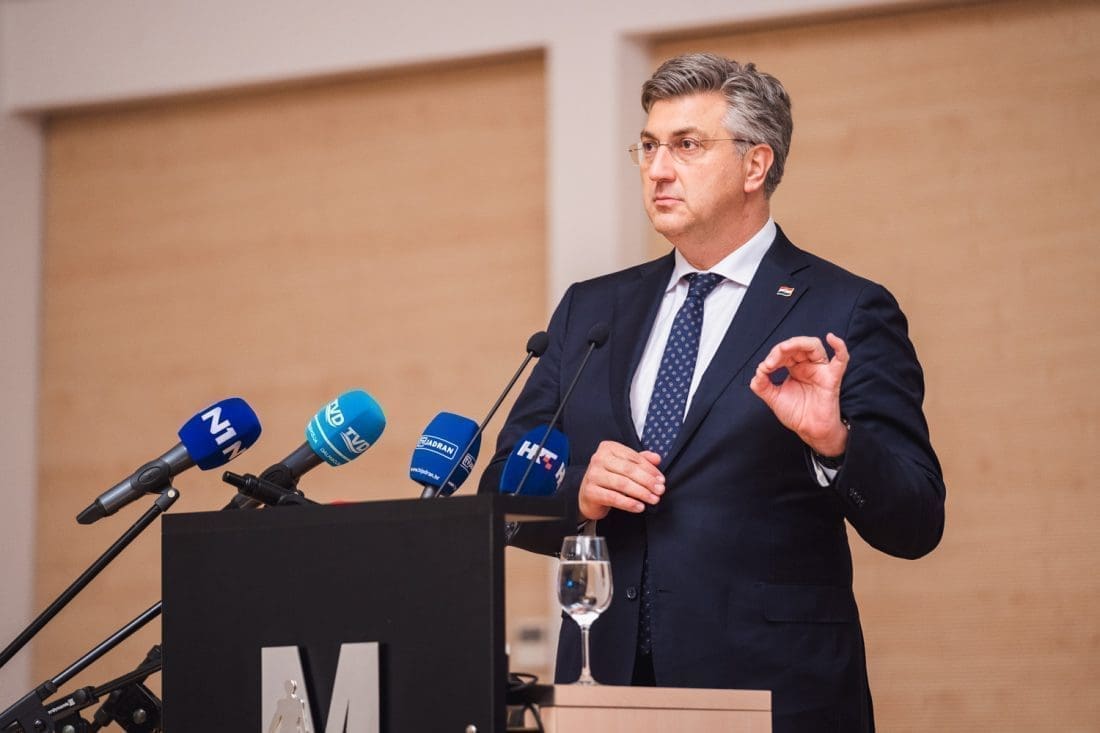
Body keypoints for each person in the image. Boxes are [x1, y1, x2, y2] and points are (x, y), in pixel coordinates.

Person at [479, 52, 945, 732]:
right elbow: (501, 490)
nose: (658, 169)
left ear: (756, 165)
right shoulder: (591, 311)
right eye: (648, 147)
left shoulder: (844, 309)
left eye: (687, 146)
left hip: (776, 696)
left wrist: (835, 444)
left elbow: (917, 521)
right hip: (607, 691)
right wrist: (577, 488)